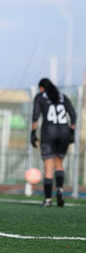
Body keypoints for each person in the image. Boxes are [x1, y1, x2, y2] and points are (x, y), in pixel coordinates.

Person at [31, 78, 76, 207]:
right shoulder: (62, 96)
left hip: (48, 133)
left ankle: (48, 199)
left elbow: (35, 116)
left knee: (48, 167)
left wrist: (33, 133)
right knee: (59, 164)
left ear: (41, 88)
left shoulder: (40, 97)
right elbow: (73, 115)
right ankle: (60, 191)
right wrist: (71, 131)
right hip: (64, 133)